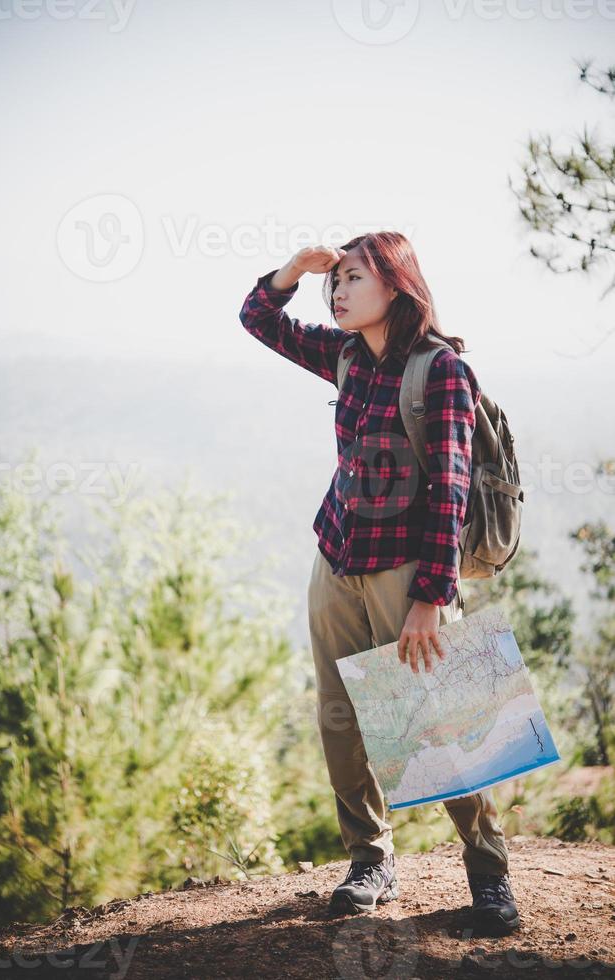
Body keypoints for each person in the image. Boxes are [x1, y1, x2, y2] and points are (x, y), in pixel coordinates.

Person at [239, 232, 520, 936]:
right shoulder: (343, 357)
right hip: (335, 559)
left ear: (395, 286)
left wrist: (430, 597)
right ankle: (371, 861)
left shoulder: (441, 371)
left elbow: (452, 488)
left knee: (444, 720)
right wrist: (295, 270)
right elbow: (259, 319)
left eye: (351, 279)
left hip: (407, 571)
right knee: (343, 720)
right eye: (334, 282)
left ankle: (488, 874)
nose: (337, 292)